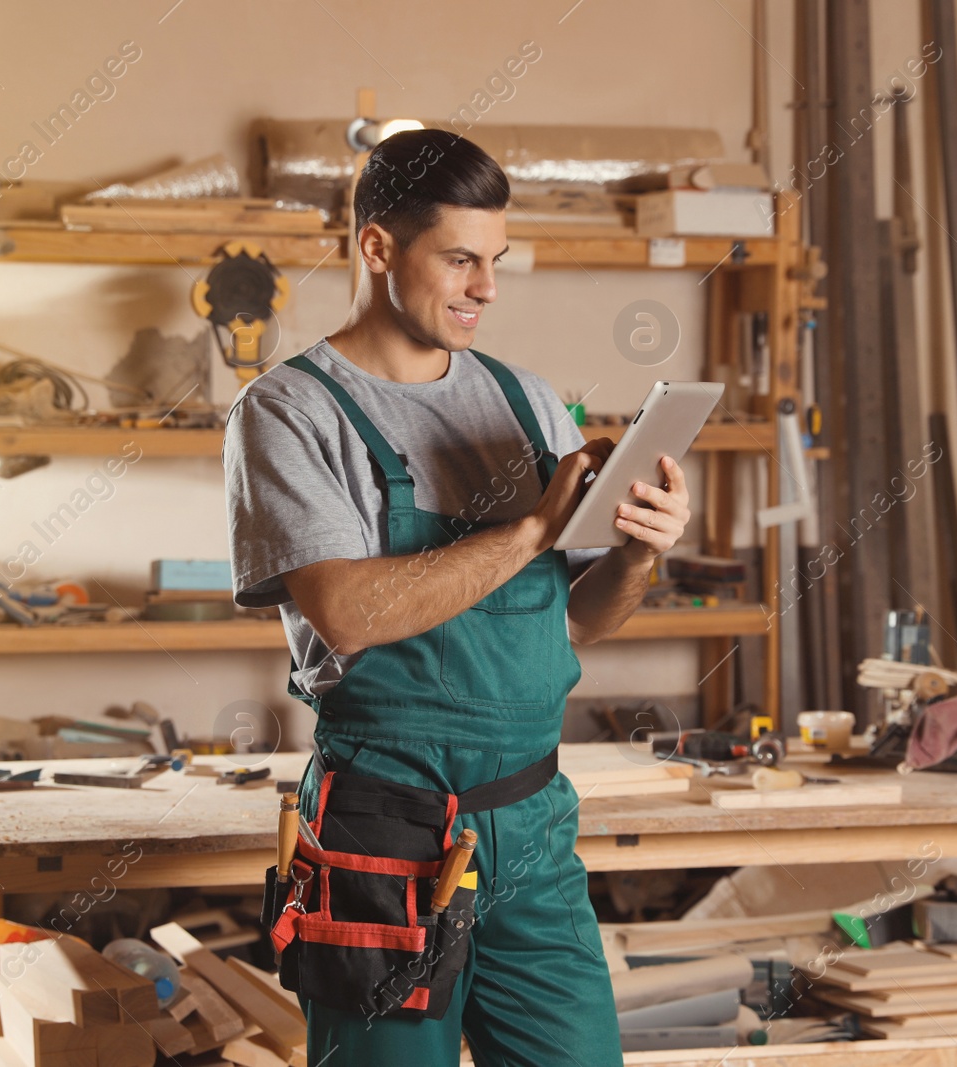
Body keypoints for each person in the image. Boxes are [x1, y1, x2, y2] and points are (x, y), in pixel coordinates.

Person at [224, 128, 690, 1067]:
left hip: (531, 826)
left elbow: (570, 623)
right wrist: (527, 530)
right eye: (462, 260)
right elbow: (347, 612)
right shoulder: (288, 412)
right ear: (379, 247)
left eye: (497, 263)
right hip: (386, 833)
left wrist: (641, 554)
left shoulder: (527, 403)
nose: (485, 288)